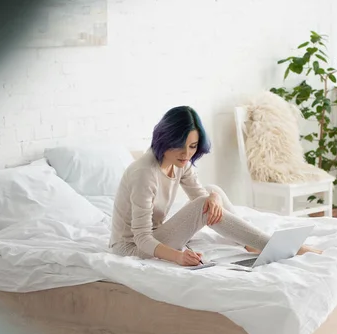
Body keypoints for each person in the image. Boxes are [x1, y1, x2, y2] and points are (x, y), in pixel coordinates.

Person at [110, 106, 322, 266]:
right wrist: (178, 257)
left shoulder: (180, 162)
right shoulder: (144, 174)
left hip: (156, 235)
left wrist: (215, 198)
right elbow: (141, 237)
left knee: (214, 192)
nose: (187, 154)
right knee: (205, 202)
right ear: (165, 140)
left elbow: (202, 197)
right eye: (179, 147)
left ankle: (250, 242)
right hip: (133, 247)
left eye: (192, 146)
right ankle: (269, 244)